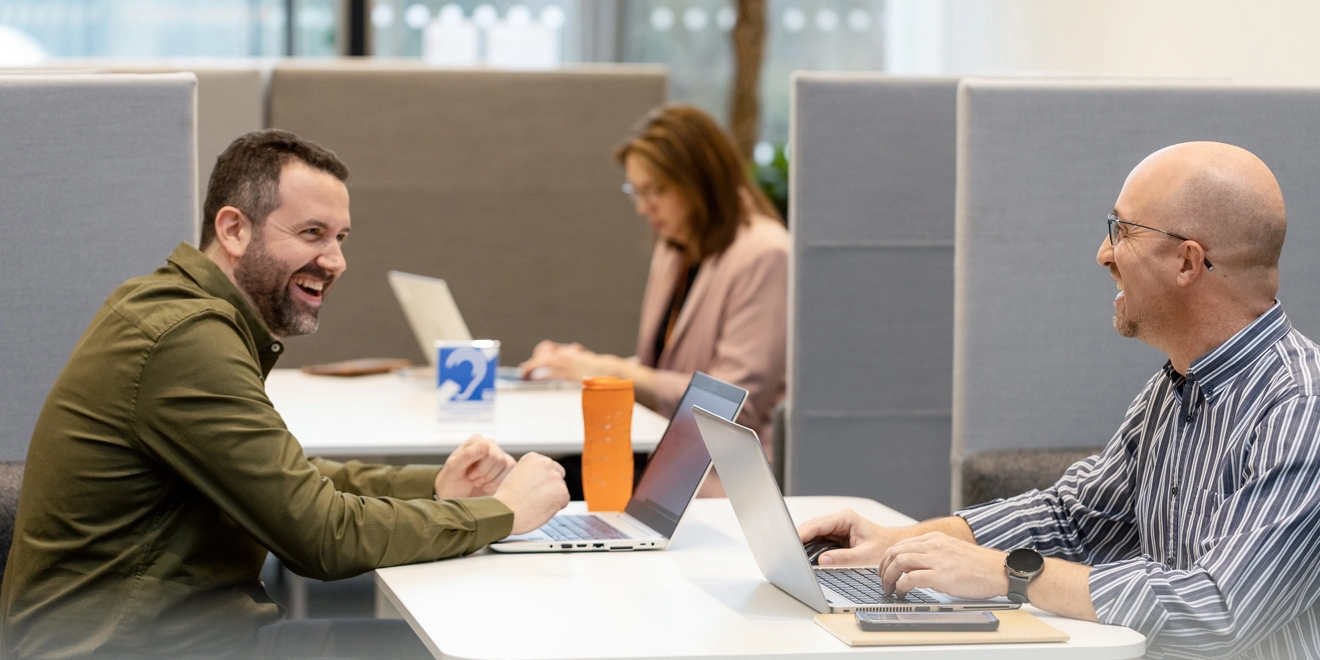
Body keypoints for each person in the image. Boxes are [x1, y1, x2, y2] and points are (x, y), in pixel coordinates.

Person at [0, 129, 570, 659]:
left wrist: (437, 487)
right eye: (311, 233)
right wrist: (501, 513)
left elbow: (287, 479)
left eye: (341, 238)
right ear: (233, 229)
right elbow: (321, 535)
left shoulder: (178, 310)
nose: (335, 260)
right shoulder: (184, 338)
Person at [798, 141, 1320, 658]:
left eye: (1122, 231)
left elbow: (1217, 609)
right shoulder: (1174, 389)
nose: (1103, 253)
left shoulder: (1300, 410)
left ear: (1187, 262)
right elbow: (1075, 519)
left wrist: (1008, 573)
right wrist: (901, 543)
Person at [519, 105, 788, 491]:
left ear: (702, 182)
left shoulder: (765, 253)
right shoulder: (676, 246)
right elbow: (662, 367)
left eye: (656, 191)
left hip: (715, 477)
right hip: (659, 454)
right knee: (537, 482)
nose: (645, 208)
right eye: (637, 192)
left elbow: (730, 405)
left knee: (549, 491)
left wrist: (613, 368)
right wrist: (582, 368)